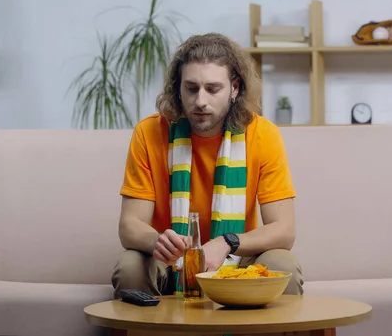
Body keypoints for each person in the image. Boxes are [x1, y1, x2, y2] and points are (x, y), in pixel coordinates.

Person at [111, 32, 303, 299]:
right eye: (191, 88)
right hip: (170, 260)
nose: (201, 101)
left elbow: (284, 231)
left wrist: (227, 242)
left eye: (213, 89)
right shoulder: (149, 132)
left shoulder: (263, 135)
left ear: (234, 88)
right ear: (178, 88)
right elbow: (130, 226)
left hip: (236, 256)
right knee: (131, 265)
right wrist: (158, 241)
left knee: (283, 265)